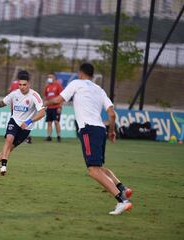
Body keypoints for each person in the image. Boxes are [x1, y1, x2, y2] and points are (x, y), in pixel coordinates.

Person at [44, 63, 133, 215]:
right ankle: (122, 188)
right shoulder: (99, 89)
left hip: (87, 129)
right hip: (100, 130)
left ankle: (122, 200)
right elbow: (112, 114)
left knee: (93, 171)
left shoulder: (76, 83)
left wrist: (43, 102)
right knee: (98, 168)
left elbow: (59, 99)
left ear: (80, 73)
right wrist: (112, 132)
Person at [0, 70, 45, 175]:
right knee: (9, 139)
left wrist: (29, 121)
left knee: (9, 149)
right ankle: (3, 167)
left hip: (26, 128)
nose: (22, 87)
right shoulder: (14, 94)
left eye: (24, 85)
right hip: (15, 121)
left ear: (29, 84)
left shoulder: (34, 96)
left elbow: (42, 113)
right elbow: (3, 102)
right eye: (20, 84)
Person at [8, 75, 32, 144]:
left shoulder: (14, 83)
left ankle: (18, 137)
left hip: (15, 108)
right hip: (24, 108)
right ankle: (26, 138)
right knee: (23, 123)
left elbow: (10, 93)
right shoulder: (26, 84)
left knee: (16, 123)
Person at [43, 73, 63, 142]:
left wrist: (60, 107)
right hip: (49, 107)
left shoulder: (58, 85)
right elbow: (45, 97)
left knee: (56, 122)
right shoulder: (47, 86)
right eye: (48, 77)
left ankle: (58, 136)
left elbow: (61, 97)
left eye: (50, 77)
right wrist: (44, 106)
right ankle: (49, 136)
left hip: (56, 107)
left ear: (54, 77)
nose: (49, 78)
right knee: (49, 122)